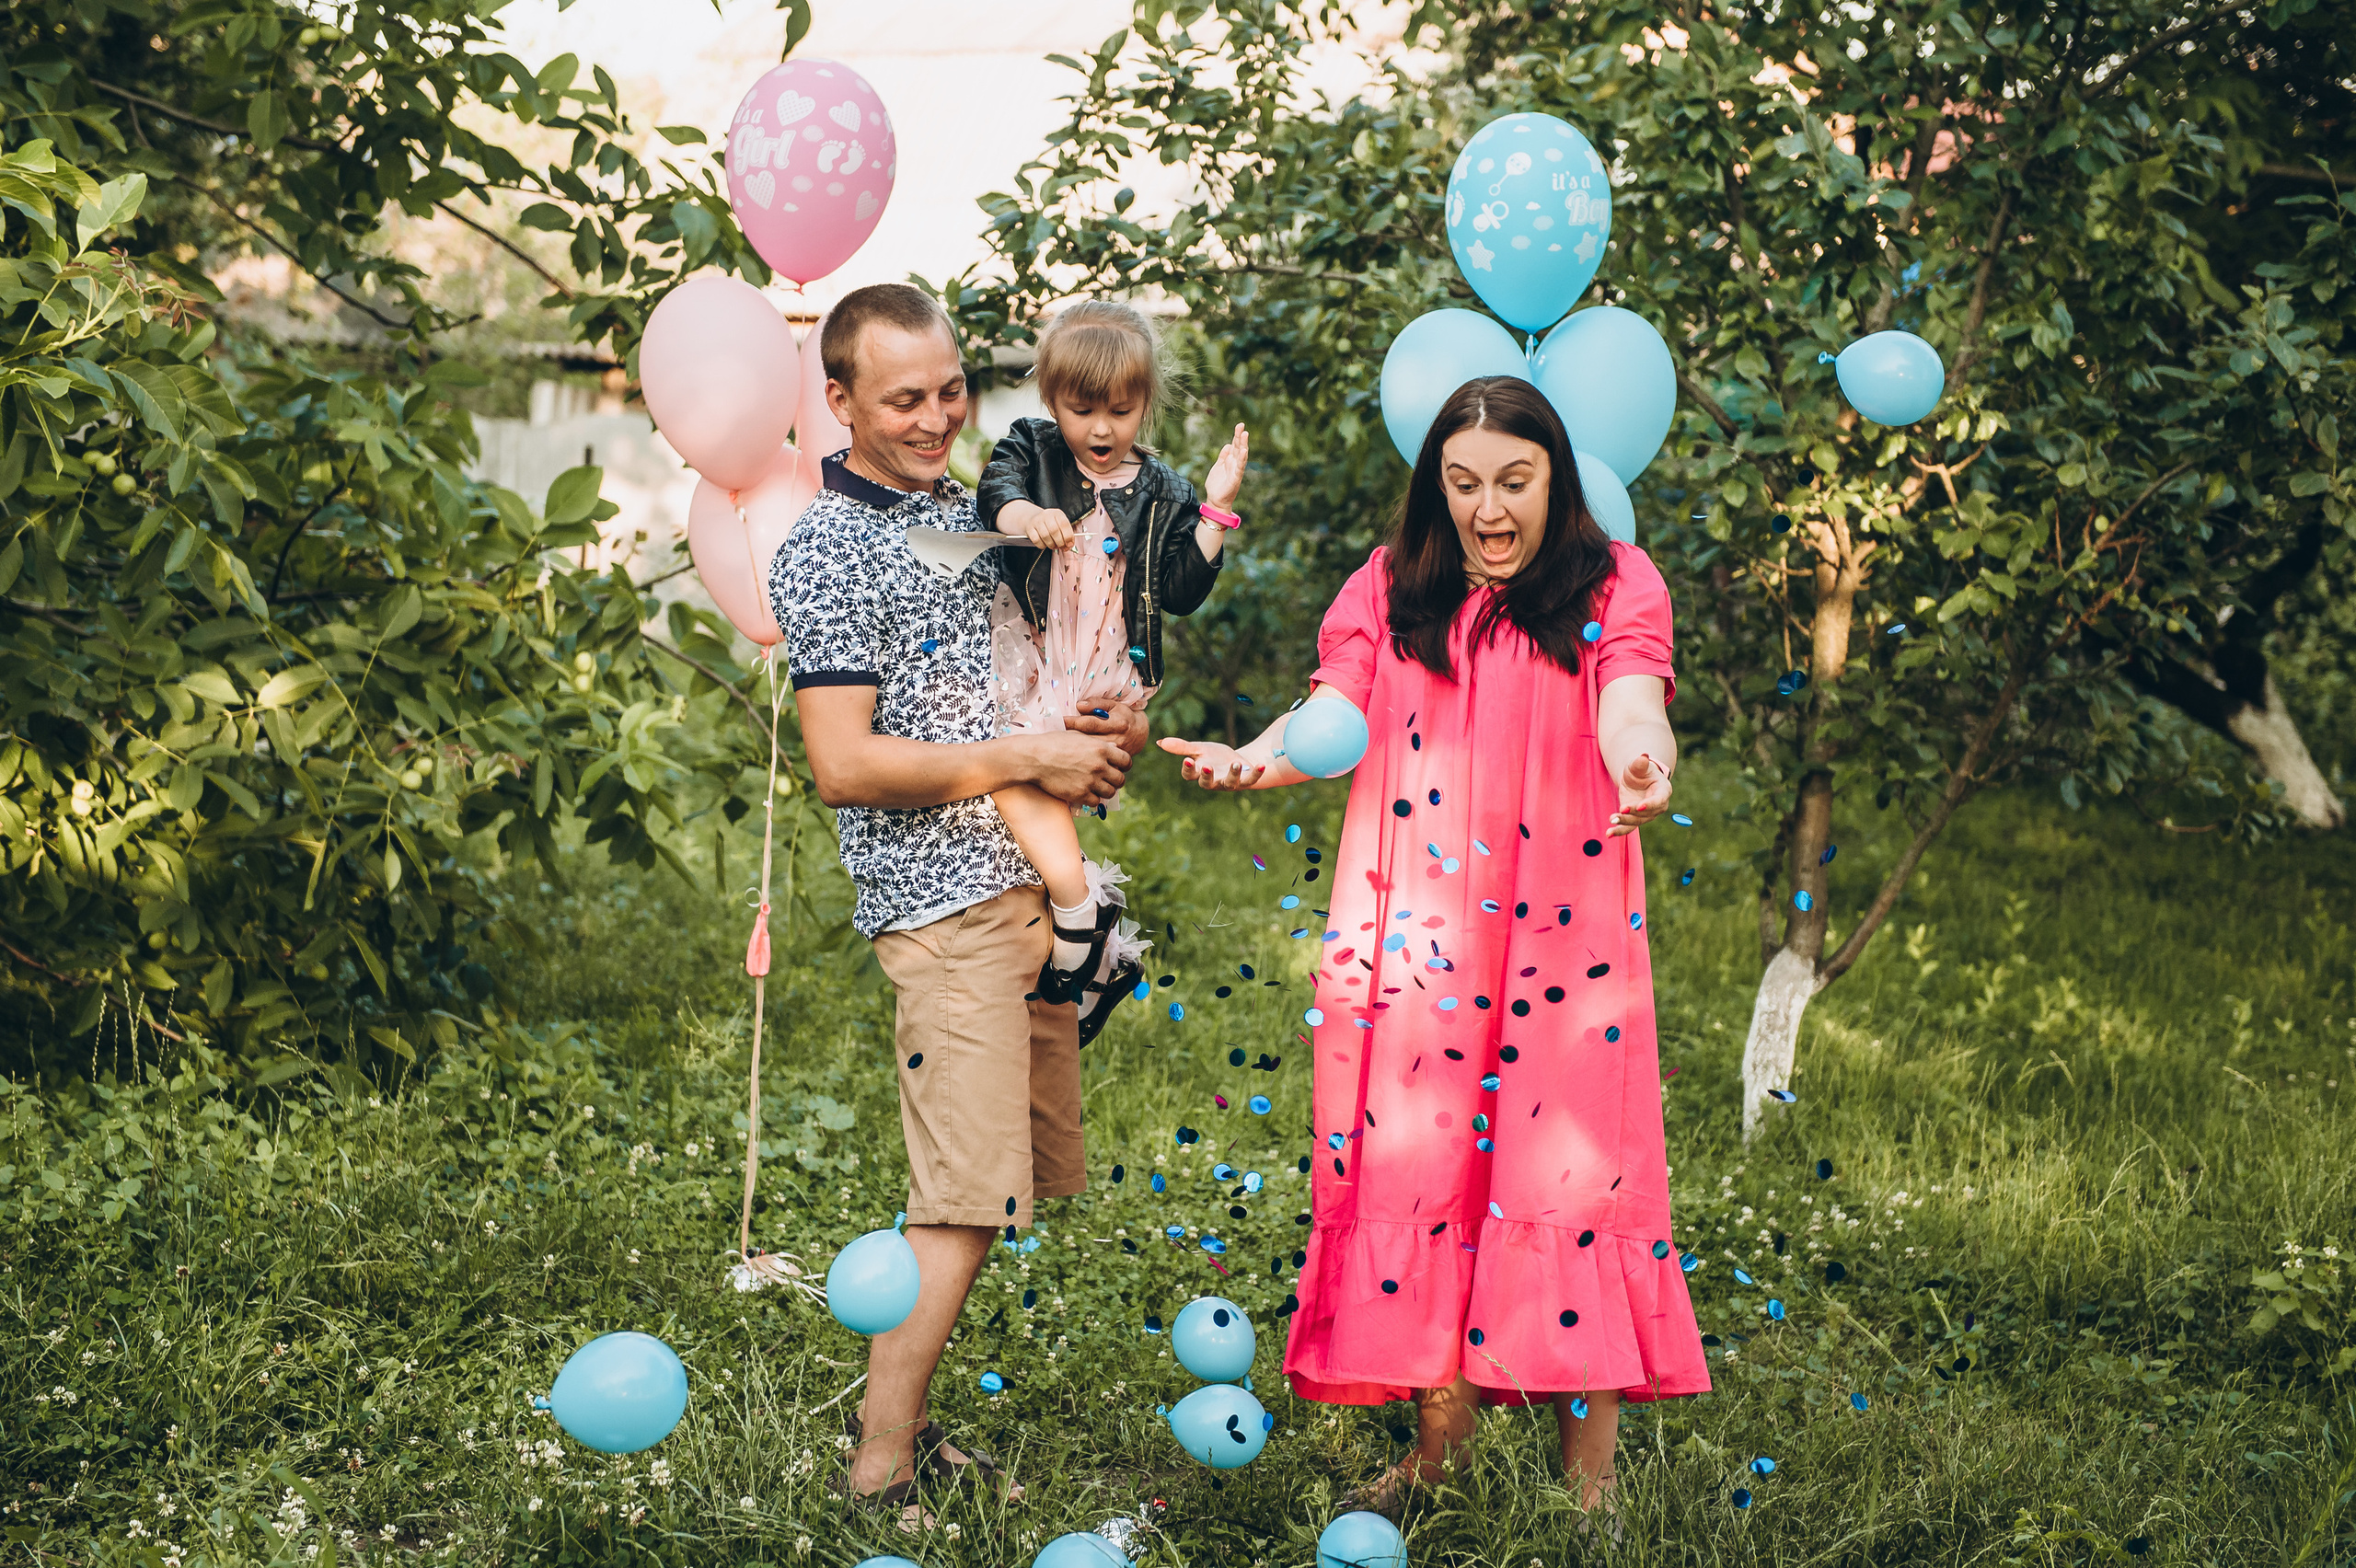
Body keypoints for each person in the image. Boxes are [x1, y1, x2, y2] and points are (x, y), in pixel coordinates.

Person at [1160, 376, 1708, 1524]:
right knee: (1428, 1166)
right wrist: (1258, 756)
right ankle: (1438, 1454)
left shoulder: (1614, 582)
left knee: (1567, 1171)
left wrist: (1644, 759)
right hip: (1418, 928)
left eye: (1514, 481)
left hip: (1565, 939)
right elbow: (1333, 713)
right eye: (1463, 484)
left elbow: (1633, 697)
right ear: (1435, 487)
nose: (1488, 508)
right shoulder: (1392, 584)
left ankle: (1589, 1488)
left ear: (1555, 479)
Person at [768, 282, 1149, 1522]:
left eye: (950, 391)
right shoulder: (824, 549)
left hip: (1022, 884)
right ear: (841, 402)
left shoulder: (969, 514)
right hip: (940, 907)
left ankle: (909, 1432)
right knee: (964, 1193)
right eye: (904, 399)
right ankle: (878, 1467)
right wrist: (1023, 766)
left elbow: (1012, 693)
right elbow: (846, 761)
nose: (937, 417)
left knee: (996, 1188)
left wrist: (1090, 733)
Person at [976, 300, 1249, 1008]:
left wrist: (1216, 509)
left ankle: (1086, 937)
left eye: (1121, 412)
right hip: (1036, 651)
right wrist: (1025, 517)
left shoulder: (1164, 491)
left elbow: (1183, 589)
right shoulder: (1032, 449)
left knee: (1035, 780)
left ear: (1145, 404)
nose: (1101, 429)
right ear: (1051, 400)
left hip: (1103, 670)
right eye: (1081, 409)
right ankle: (1089, 935)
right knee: (1015, 773)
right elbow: (994, 493)